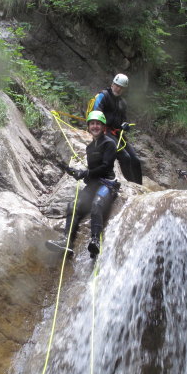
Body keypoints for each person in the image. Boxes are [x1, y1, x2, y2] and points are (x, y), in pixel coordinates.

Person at [47, 111, 120, 258]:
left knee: (97, 204)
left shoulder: (109, 144)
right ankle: (66, 241)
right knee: (73, 205)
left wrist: (85, 174)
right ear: (88, 127)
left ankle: (95, 240)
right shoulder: (89, 148)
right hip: (93, 184)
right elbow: (92, 171)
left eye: (98, 124)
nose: (95, 126)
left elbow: (105, 167)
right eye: (92, 123)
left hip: (107, 184)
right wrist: (78, 173)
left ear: (103, 127)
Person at [92, 73, 143, 185]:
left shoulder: (122, 103)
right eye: (117, 85)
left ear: (124, 89)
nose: (118, 89)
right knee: (125, 157)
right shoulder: (103, 96)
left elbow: (123, 120)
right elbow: (96, 113)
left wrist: (125, 126)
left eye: (121, 87)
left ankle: (140, 186)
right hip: (105, 131)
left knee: (135, 159)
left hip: (117, 133)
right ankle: (132, 186)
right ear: (112, 84)